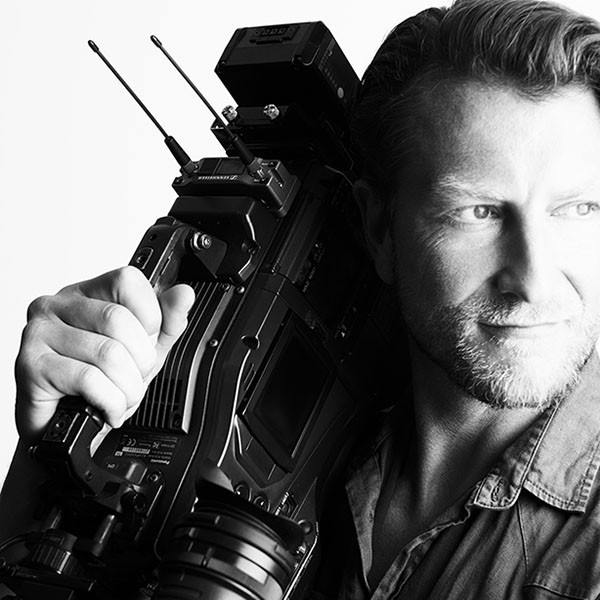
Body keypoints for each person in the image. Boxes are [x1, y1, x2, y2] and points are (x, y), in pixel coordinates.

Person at [3, 0, 600, 597]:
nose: (534, 279)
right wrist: (48, 462)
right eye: (479, 212)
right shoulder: (306, 431)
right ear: (379, 229)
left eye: (579, 209)